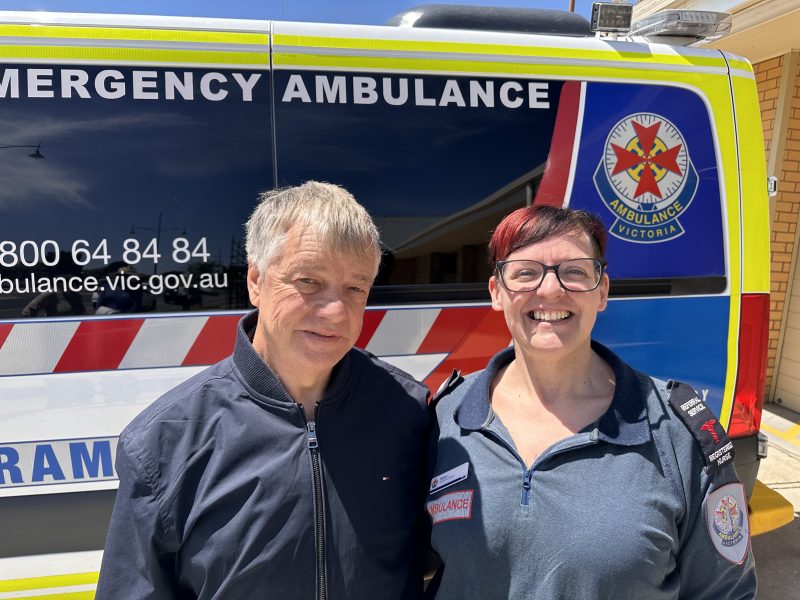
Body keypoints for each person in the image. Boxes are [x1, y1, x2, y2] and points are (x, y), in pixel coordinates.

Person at [97, 182, 430, 599]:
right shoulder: (164, 442)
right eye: (308, 281)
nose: (335, 312)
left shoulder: (410, 413)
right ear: (256, 280)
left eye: (355, 288)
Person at [425, 205, 756, 599]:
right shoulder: (447, 416)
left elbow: (725, 592)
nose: (550, 290)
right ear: (497, 292)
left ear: (602, 291)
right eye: (526, 272)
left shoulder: (678, 432)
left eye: (575, 271)